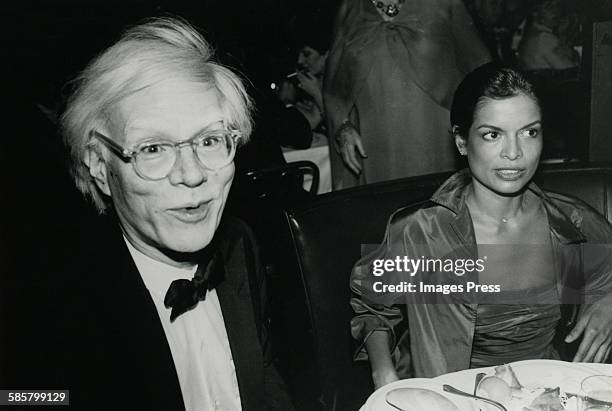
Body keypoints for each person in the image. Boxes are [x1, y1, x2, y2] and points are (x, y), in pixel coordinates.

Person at [43, 17, 292, 411]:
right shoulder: (55, 303)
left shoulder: (239, 244)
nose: (193, 175)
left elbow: (265, 380)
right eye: (153, 149)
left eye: (210, 140)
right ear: (99, 166)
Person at [350, 63, 612, 389]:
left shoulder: (570, 224)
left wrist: (609, 300)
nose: (514, 153)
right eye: (493, 134)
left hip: (539, 395)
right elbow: (372, 307)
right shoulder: (422, 231)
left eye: (529, 132)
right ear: (461, 142)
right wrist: (384, 375)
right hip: (446, 397)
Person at [324, 0, 491, 189]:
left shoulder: (445, 4)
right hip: (374, 145)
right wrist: (343, 125)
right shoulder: (351, 8)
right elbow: (334, 83)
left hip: (437, 140)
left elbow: (479, 67)